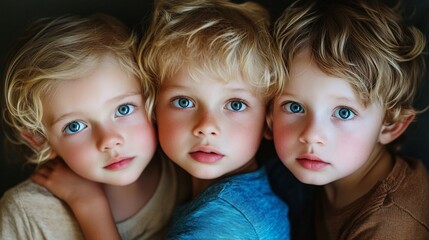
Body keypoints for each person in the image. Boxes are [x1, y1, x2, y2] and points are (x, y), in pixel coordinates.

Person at [0, 14, 189, 240]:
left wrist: (90, 205)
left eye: (124, 109)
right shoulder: (25, 212)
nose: (109, 140)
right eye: (75, 126)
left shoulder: (185, 176)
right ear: (40, 140)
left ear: (151, 100)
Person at [269, 0, 429, 239]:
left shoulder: (392, 227)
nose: (312, 134)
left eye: (344, 112)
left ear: (391, 125)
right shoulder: (330, 173)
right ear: (269, 115)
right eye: (294, 106)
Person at [141, 0, 290, 238]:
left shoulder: (222, 219)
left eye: (235, 104)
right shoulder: (241, 197)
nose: (207, 127)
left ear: (268, 119)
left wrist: (90, 207)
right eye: (184, 102)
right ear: (153, 109)